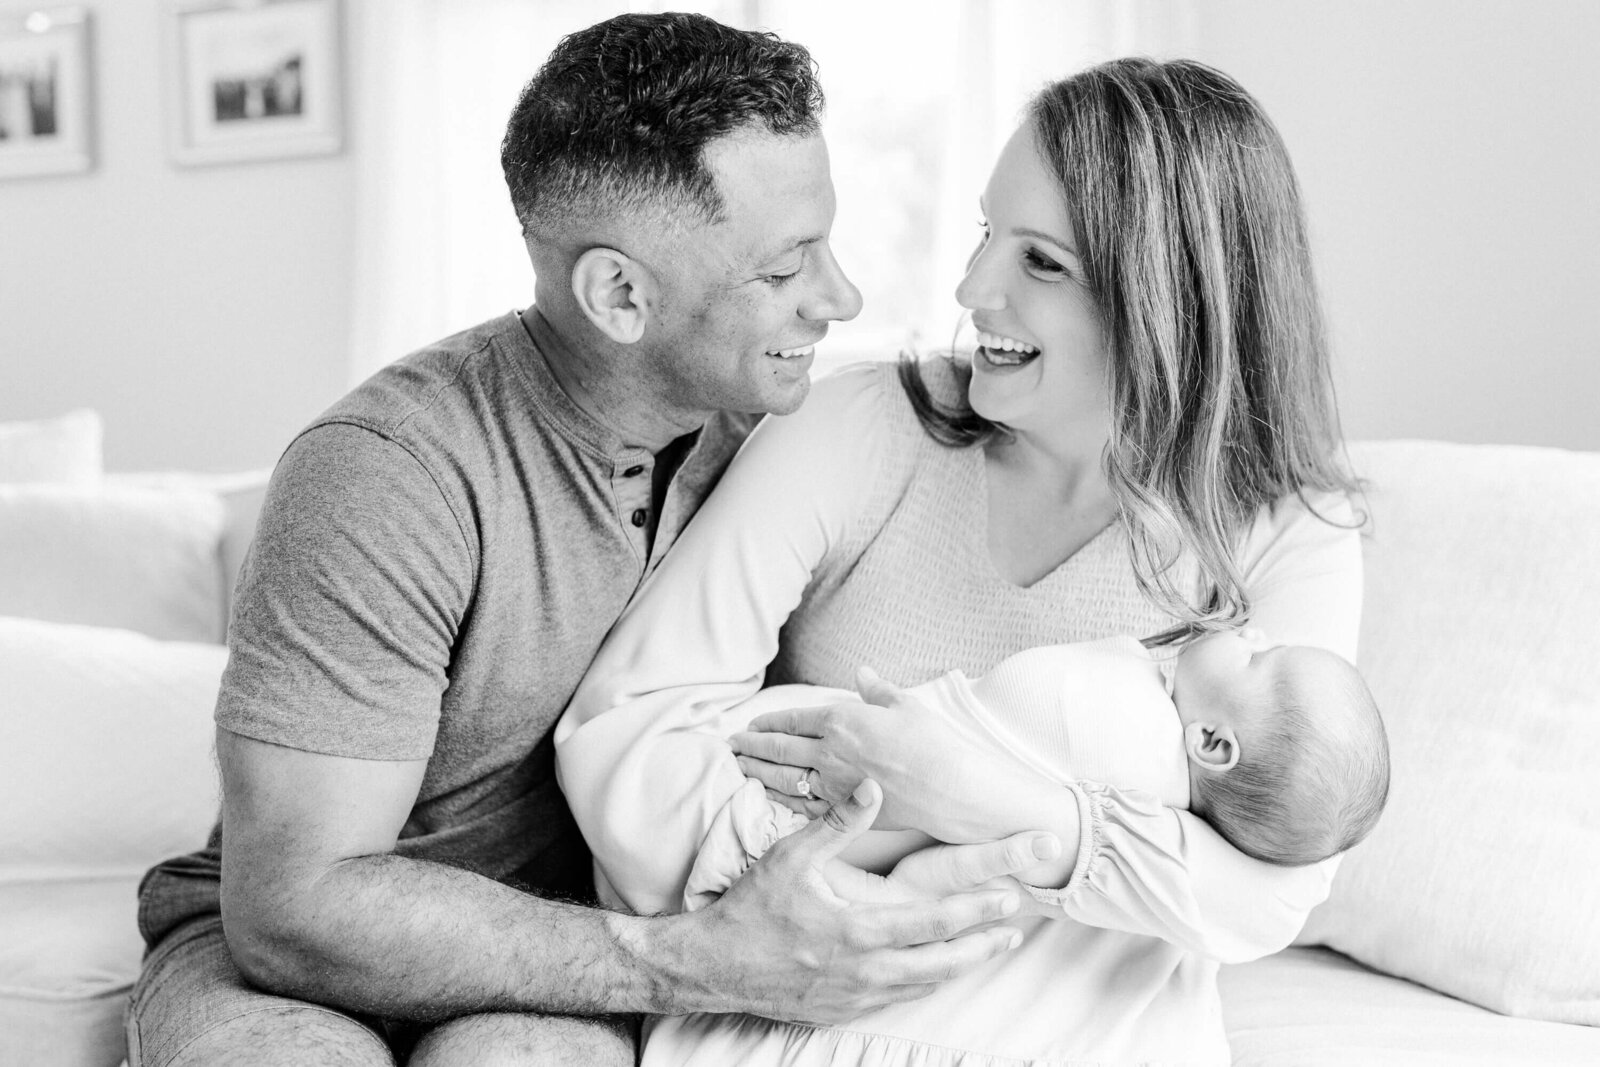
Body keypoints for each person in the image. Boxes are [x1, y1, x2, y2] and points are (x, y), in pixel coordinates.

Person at [125, 14, 1050, 1067]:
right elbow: (297, 902)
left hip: (567, 952)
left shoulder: (795, 437)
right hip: (312, 958)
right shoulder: (387, 470)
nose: (840, 297)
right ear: (619, 293)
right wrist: (696, 959)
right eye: (788, 265)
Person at [558, 56, 1367, 1066]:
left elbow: (1270, 886)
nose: (970, 287)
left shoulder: (1286, 526)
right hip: (813, 1008)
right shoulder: (862, 429)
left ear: (1169, 303)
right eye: (990, 233)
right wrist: (827, 872)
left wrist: (960, 792)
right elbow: (627, 728)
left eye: (1041, 263)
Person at [688, 627, 1389, 901]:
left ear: (1212, 743)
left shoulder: (1129, 730)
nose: (1250, 631)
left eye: (1260, 656)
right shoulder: (1157, 804)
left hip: (774, 806)